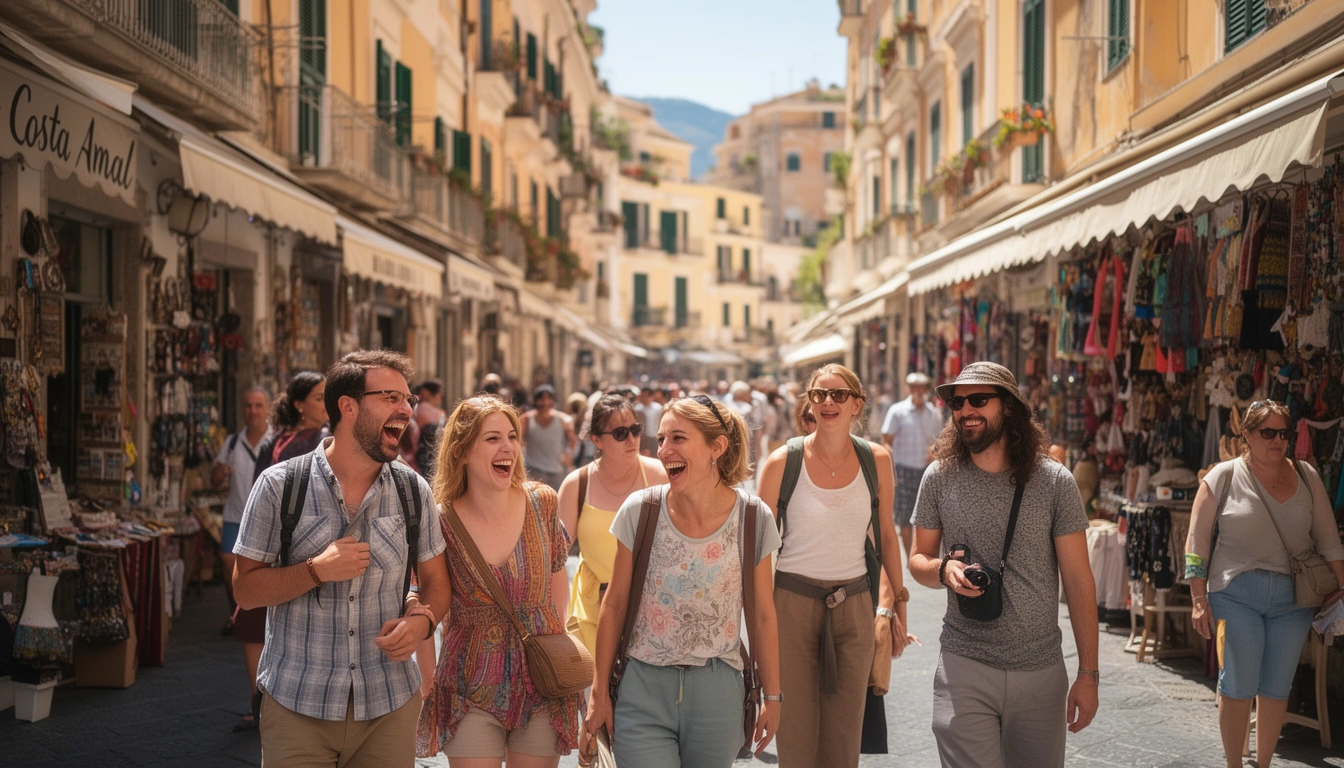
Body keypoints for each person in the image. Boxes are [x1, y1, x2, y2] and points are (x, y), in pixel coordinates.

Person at [233, 350, 449, 768]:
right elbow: (245, 588)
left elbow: (437, 583)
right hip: (298, 705)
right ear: (348, 407)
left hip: (387, 706)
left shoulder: (413, 491)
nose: (406, 409)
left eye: (409, 400)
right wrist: (315, 570)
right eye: (391, 397)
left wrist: (423, 621)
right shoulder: (280, 486)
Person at [907, 361, 1098, 768]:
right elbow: (918, 558)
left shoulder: (1054, 481)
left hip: (1040, 673)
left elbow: (1079, 581)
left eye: (979, 399)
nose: (965, 410)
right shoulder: (938, 477)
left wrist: (1089, 674)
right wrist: (943, 570)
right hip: (963, 665)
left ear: (1008, 407)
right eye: (958, 403)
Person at [586, 395, 783, 766]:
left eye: (677, 438)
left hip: (718, 691)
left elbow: (763, 616)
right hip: (642, 688)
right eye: (660, 439)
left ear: (717, 447)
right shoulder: (640, 511)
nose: (663, 450)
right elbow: (613, 604)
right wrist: (599, 693)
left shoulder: (754, 518)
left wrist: (772, 697)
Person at [758, 364, 911, 768]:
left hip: (854, 606)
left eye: (838, 395)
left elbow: (888, 536)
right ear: (809, 401)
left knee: (844, 740)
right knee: (796, 735)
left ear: (857, 404)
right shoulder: (781, 462)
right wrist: (756, 621)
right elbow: (756, 551)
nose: (828, 402)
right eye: (819, 394)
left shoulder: (877, 459)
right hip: (792, 604)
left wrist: (898, 606)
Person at [416, 396, 581, 765]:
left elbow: (558, 585)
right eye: (492, 439)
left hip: (540, 680)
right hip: (468, 686)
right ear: (461, 452)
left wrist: (561, 653)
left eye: (511, 436)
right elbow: (424, 599)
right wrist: (429, 686)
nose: (508, 447)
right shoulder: (439, 521)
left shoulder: (543, 503)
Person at [1187, 400, 1344, 768]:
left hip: (1294, 599)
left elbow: (1328, 539)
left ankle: (1263, 765)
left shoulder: (1307, 475)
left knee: (1276, 688)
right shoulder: (1222, 476)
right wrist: (1198, 598)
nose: (1277, 441)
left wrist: (1339, 589)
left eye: (1284, 433)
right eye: (1267, 433)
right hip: (1237, 593)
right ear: (1248, 435)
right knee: (1239, 683)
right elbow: (1196, 542)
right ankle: (1234, 765)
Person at [557, 393, 668, 659]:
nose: (631, 439)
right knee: (598, 696)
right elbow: (555, 560)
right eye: (620, 433)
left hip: (649, 611)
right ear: (596, 439)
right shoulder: (576, 484)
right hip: (591, 615)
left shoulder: (659, 475)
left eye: (635, 429)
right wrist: (555, 622)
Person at [210, 386, 270, 731]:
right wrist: (220, 474)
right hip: (236, 516)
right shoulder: (232, 443)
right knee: (227, 564)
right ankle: (238, 610)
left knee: (242, 571)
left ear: (267, 408)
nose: (252, 410)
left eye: (258, 405)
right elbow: (215, 475)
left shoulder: (274, 440)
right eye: (247, 405)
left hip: (260, 519)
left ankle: (243, 611)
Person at [881, 372, 945, 561]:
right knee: (905, 514)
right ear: (908, 389)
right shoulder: (897, 411)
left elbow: (939, 441)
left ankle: (924, 553)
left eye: (921, 388)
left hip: (927, 470)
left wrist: (935, 453)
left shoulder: (933, 413)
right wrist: (889, 463)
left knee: (929, 514)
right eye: (914, 388)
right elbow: (886, 441)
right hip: (904, 469)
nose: (918, 392)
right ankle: (911, 558)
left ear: (925, 390)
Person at [521, 384, 577, 490]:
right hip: (533, 471)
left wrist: (568, 454)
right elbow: (518, 441)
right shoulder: (527, 419)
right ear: (535, 400)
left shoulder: (563, 420)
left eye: (548, 398)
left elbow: (573, 440)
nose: (545, 403)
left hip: (556, 472)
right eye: (541, 399)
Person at [413, 379, 448, 479]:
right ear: (426, 393)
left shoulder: (416, 411)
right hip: (433, 459)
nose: (440, 397)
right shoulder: (437, 413)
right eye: (438, 393)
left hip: (420, 459)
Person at [634, 387, 663, 457]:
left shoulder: (658, 408)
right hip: (642, 438)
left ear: (651, 396)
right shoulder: (637, 409)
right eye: (642, 396)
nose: (644, 398)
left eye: (646, 396)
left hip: (654, 438)